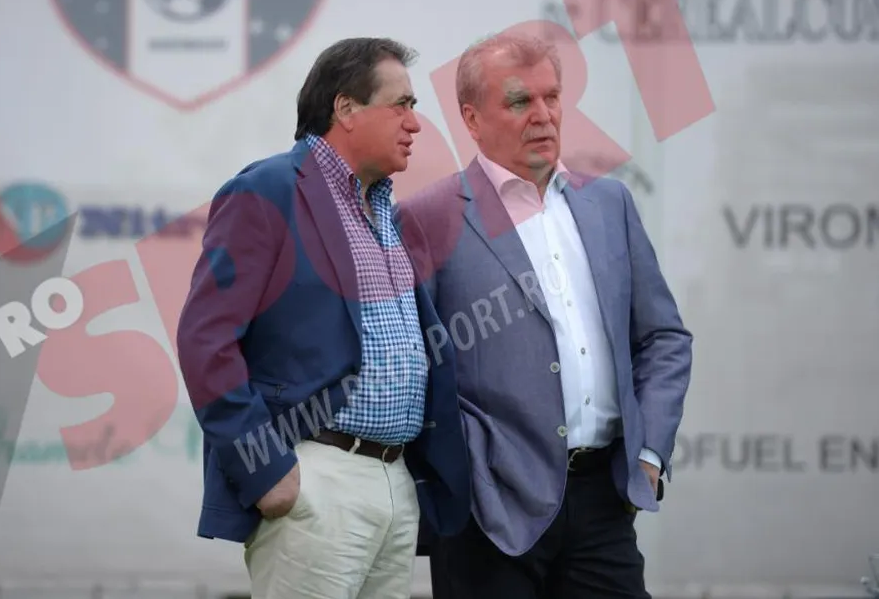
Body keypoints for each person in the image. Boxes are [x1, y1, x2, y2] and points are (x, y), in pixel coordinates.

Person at [396, 32, 693, 598]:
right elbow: (411, 362)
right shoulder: (428, 218)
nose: (543, 115)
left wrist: (649, 454)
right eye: (519, 101)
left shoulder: (609, 203)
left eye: (551, 97)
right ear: (471, 118)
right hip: (488, 514)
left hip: (603, 501)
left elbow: (663, 338)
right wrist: (462, 471)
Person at [176, 37, 471, 599]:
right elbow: (204, 339)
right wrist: (266, 470)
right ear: (346, 108)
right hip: (315, 481)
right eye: (401, 105)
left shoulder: (385, 210)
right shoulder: (267, 191)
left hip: (393, 484)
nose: (415, 123)